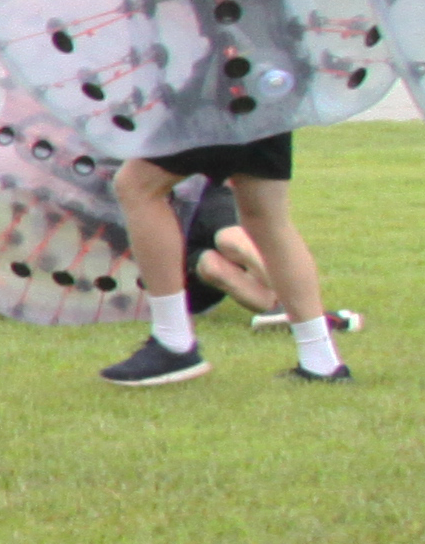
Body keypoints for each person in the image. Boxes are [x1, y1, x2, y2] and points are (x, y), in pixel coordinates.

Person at [100, 133, 344, 390]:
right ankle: (322, 361)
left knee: (138, 186)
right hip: (266, 111)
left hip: (215, 111)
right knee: (266, 215)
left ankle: (173, 342)